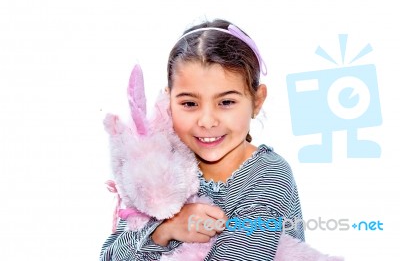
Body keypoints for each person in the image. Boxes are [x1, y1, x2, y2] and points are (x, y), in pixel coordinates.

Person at [100, 18, 304, 261]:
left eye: (226, 102)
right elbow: (110, 256)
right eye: (189, 103)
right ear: (167, 103)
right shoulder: (160, 170)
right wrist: (163, 231)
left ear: (257, 101)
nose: (207, 121)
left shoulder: (268, 176)